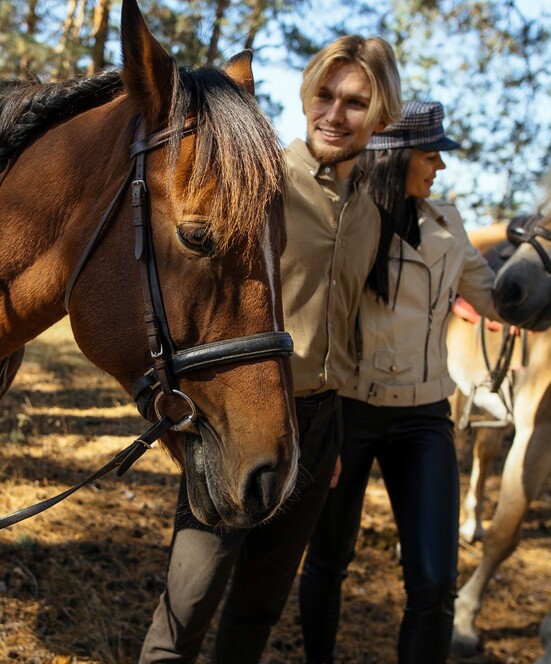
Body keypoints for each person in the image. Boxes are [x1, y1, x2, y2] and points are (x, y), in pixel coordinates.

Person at [139, 35, 403, 664]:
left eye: (356, 102)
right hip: (243, 415)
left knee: (257, 615)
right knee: (184, 618)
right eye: (325, 95)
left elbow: (347, 322)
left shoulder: (371, 210)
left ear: (382, 116)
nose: (334, 114)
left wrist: (331, 434)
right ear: (306, 96)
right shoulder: (258, 179)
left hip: (318, 431)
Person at [298, 101, 499, 664]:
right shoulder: (347, 220)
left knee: (434, 581)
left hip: (425, 414)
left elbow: (494, 295)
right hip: (349, 412)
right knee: (328, 561)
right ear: (396, 157)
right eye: (431, 154)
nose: (440, 168)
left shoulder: (449, 223)